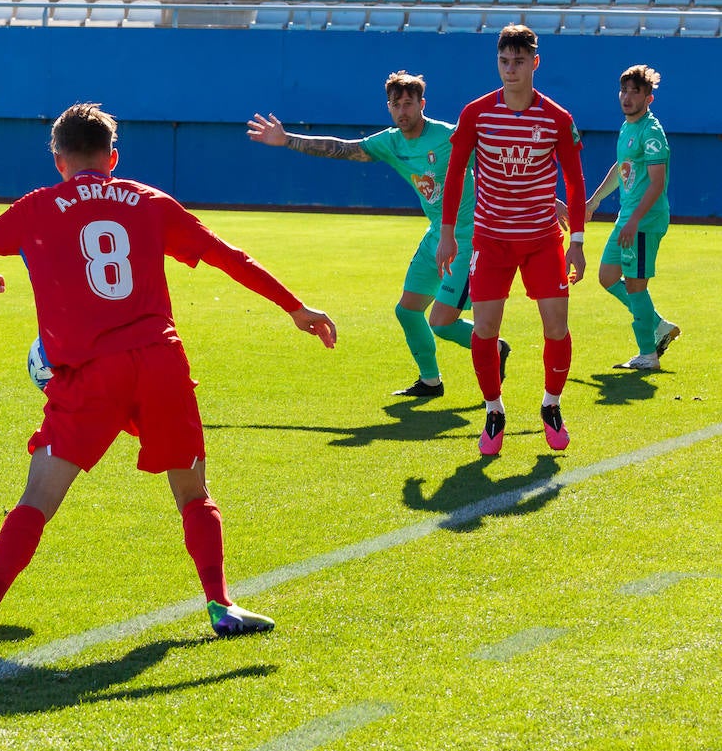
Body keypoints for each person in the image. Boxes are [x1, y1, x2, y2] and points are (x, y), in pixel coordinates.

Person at [0, 102, 336, 651]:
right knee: (193, 491)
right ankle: (222, 604)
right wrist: (296, 308)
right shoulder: (150, 201)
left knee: (37, 499)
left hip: (88, 376)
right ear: (112, 157)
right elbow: (230, 257)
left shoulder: (36, 208)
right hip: (160, 364)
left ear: (58, 160)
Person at [248, 70, 509, 399]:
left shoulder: (449, 136)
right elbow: (343, 149)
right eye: (396, 105)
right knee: (408, 311)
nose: (402, 111)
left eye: (408, 103)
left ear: (422, 104)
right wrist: (287, 139)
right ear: (388, 107)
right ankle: (431, 381)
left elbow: (498, 164)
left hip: (468, 238)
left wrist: (542, 199)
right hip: (436, 236)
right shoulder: (390, 142)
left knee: (441, 323)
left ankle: (495, 347)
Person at [436, 25, 586, 457]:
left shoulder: (557, 118)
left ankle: (551, 405)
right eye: (504, 61)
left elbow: (574, 182)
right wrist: (447, 235)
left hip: (541, 240)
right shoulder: (476, 113)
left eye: (519, 61)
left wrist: (576, 242)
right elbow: (454, 175)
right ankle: (494, 410)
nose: (510, 69)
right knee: (485, 329)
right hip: (491, 240)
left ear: (534, 63)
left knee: (556, 327)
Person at [585, 64, 679, 371]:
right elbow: (620, 168)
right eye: (623, 90)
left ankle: (647, 355)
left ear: (648, 98)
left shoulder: (651, 133)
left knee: (636, 286)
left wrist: (636, 219)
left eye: (634, 92)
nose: (626, 97)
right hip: (627, 218)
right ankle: (659, 324)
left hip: (644, 221)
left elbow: (657, 183)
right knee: (607, 277)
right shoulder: (628, 127)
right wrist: (595, 200)